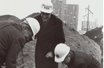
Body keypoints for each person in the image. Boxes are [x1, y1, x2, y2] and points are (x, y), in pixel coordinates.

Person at [34, 0, 65, 68]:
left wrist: (53, 52)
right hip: (40, 53)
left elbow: (60, 40)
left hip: (51, 55)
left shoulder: (57, 23)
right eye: (43, 13)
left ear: (51, 12)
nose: (44, 16)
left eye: (47, 14)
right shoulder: (36, 20)